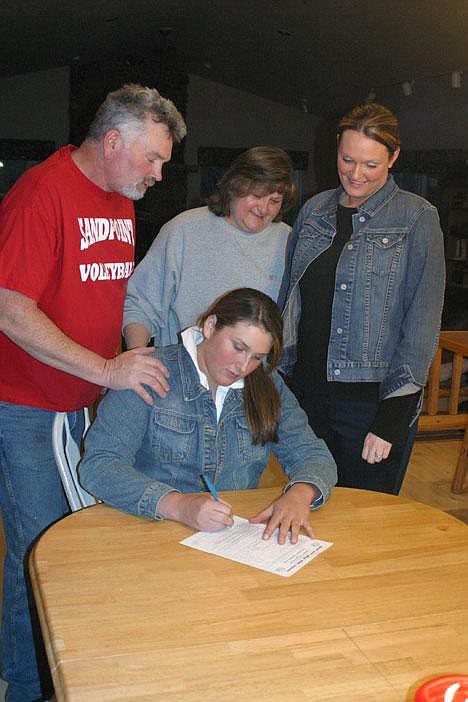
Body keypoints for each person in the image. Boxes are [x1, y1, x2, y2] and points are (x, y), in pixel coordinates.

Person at [0, 83, 186, 702]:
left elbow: (107, 297)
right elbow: (9, 308)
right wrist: (107, 373)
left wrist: (128, 354)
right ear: (112, 142)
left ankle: (38, 670)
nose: (159, 174)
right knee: (42, 553)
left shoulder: (119, 201)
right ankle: (31, 688)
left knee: (58, 545)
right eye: (152, 158)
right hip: (27, 408)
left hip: (81, 406)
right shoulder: (42, 194)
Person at [79, 288, 337, 544]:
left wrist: (299, 494)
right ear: (211, 326)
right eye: (238, 347)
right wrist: (178, 506)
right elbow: (99, 465)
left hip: (233, 538)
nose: (244, 367)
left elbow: (312, 454)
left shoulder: (268, 384)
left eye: (257, 357)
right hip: (151, 531)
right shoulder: (148, 373)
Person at [279, 103, 445, 495]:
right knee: (308, 511)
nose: (355, 174)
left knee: (367, 523)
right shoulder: (314, 210)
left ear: (394, 157)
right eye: (347, 159)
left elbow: (421, 326)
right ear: (336, 148)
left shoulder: (417, 218)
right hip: (307, 397)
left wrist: (391, 419)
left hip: (371, 404)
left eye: (370, 164)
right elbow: (290, 303)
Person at [122, 146, 296, 349]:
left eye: (274, 201)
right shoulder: (183, 231)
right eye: (257, 195)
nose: (264, 208)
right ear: (234, 187)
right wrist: (138, 358)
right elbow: (140, 306)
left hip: (258, 375)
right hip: (183, 373)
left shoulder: (289, 241)